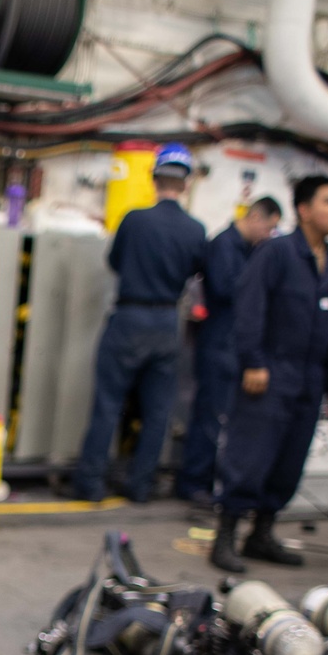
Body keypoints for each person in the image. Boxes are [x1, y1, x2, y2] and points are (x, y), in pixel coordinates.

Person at [210, 176, 328, 572]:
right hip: (270, 374)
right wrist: (253, 361)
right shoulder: (276, 254)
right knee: (249, 456)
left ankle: (261, 534)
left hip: (310, 380)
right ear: (304, 210)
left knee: (289, 461)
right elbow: (249, 308)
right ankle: (225, 536)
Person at [72, 143, 206, 503]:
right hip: (166, 322)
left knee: (108, 405)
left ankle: (91, 485)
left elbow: (115, 261)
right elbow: (197, 274)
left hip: (129, 317)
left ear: (154, 177)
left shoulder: (134, 220)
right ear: (187, 183)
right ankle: (140, 486)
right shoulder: (195, 230)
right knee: (157, 411)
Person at [177, 197, 282, 503]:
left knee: (223, 417)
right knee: (209, 415)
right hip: (218, 343)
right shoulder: (224, 245)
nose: (268, 235)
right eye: (269, 228)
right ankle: (193, 482)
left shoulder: (248, 250)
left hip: (232, 345)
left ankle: (210, 479)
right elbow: (227, 290)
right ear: (255, 218)